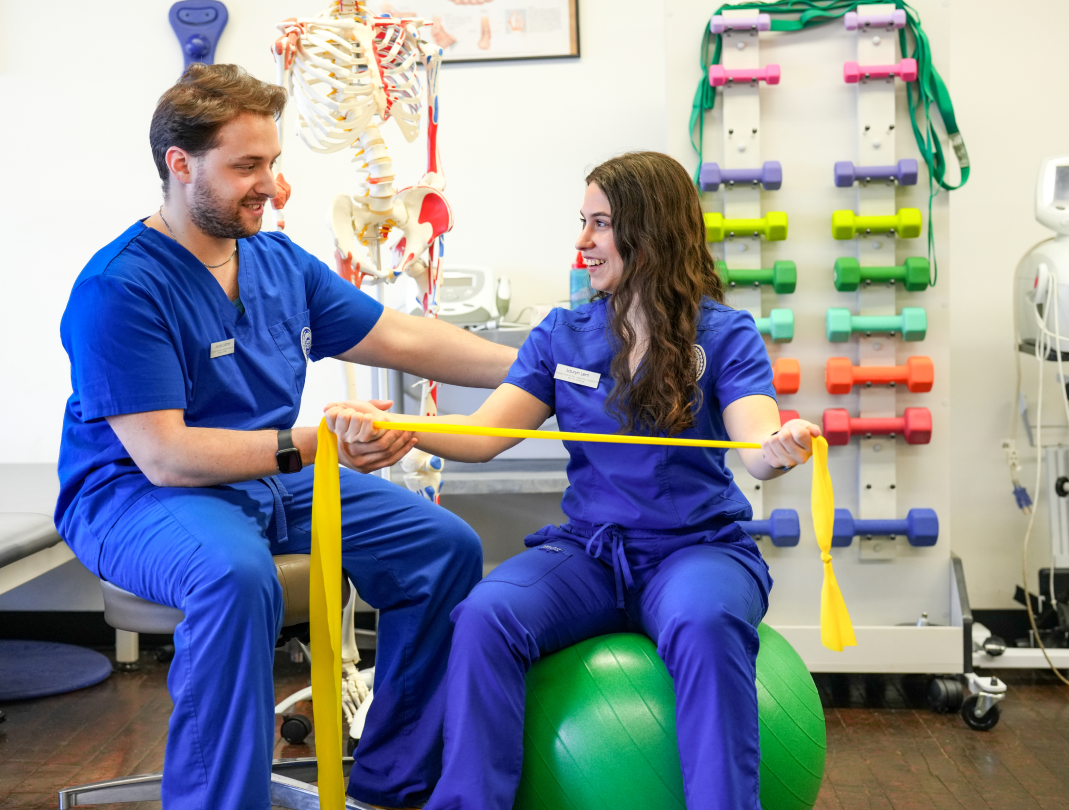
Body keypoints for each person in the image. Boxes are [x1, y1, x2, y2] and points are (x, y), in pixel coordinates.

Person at [55, 63, 517, 810]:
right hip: (140, 496)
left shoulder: (275, 262)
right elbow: (167, 456)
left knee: (444, 548)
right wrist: (321, 442)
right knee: (234, 579)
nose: (271, 185)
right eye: (246, 167)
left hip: (272, 482)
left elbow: (399, 336)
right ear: (180, 165)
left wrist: (546, 369)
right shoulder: (121, 287)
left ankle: (391, 782)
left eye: (272, 163)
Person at [325, 151, 822, 810]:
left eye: (600, 224)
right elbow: (488, 435)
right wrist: (400, 431)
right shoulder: (562, 334)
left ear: (651, 231)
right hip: (590, 553)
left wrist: (780, 444)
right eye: (582, 222)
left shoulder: (725, 335)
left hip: (695, 550)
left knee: (705, 623)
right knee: (484, 616)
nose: (582, 241)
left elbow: (755, 439)